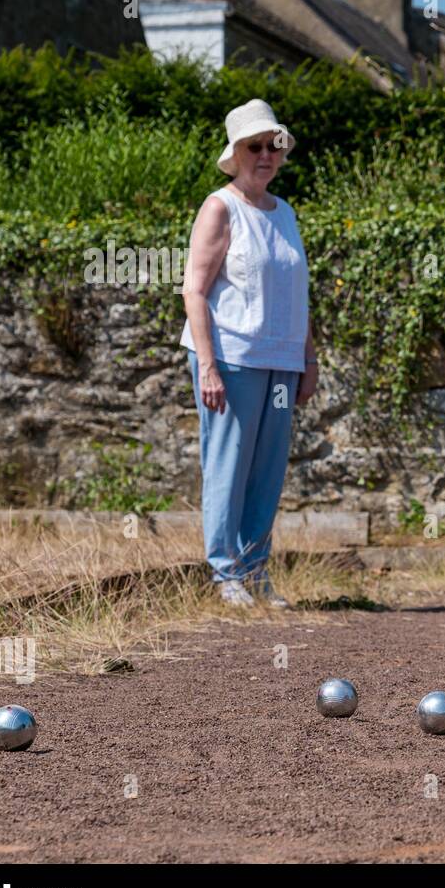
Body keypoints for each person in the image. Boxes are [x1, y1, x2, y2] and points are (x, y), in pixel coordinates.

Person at [179, 99, 318, 607]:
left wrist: (309, 357)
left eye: (273, 145)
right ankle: (225, 572)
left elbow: (294, 293)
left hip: (281, 362)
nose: (265, 154)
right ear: (235, 154)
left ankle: (257, 570)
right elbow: (194, 289)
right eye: (254, 146)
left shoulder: (286, 213)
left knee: (267, 468)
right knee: (229, 463)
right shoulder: (220, 206)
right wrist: (208, 365)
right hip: (232, 359)